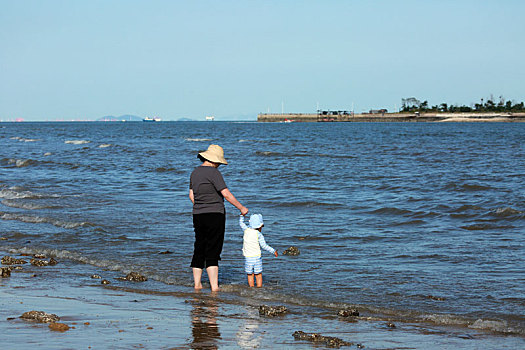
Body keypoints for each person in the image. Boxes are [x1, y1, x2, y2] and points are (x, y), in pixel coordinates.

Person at [189, 144, 248, 292]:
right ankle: (214, 287)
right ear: (214, 161)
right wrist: (241, 208)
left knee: (199, 246)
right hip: (215, 214)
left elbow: (191, 195)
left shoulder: (194, 173)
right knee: (213, 249)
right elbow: (226, 194)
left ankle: (197, 284)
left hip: (198, 214)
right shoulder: (214, 173)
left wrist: (201, 205)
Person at [240, 213, 278, 287]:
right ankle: (259, 288)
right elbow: (264, 246)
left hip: (248, 258)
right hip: (257, 257)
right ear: (260, 226)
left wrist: (242, 215)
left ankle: (251, 288)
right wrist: (273, 251)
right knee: (258, 274)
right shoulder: (259, 234)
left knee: (250, 274)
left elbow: (241, 223)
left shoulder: (246, 230)